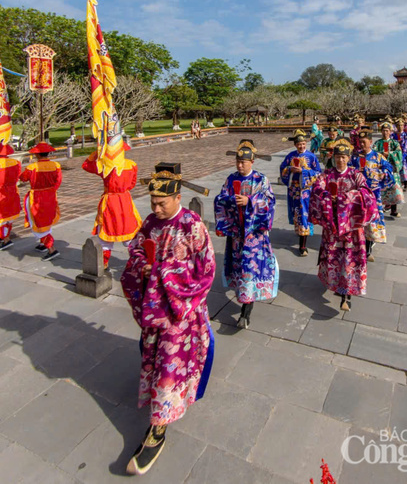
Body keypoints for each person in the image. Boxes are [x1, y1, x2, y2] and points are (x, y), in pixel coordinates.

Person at [120, 163, 215, 475]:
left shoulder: (192, 225)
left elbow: (206, 270)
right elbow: (135, 250)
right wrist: (142, 266)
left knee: (168, 368)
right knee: (152, 358)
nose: (156, 208)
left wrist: (163, 272)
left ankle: (158, 428)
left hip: (181, 313)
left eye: (162, 203)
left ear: (177, 198)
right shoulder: (149, 223)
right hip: (154, 309)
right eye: (152, 203)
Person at [215, 139, 279, 329]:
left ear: (252, 162)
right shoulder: (231, 179)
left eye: (244, 162)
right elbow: (220, 199)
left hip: (254, 237)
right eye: (238, 161)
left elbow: (270, 202)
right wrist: (232, 202)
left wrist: (250, 201)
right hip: (236, 236)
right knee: (239, 271)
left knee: (249, 271)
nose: (240, 165)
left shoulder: (261, 180)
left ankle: (246, 313)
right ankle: (244, 301)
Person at [310, 144, 379, 311]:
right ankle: (334, 284)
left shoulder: (356, 175)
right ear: (333, 158)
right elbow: (316, 190)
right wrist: (327, 197)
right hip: (332, 226)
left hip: (351, 229)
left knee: (349, 259)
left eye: (343, 157)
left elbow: (366, 193)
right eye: (337, 157)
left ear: (349, 158)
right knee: (334, 256)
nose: (340, 160)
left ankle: (346, 296)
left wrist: (344, 199)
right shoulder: (326, 175)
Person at [82, 141, 142, 268]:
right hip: (125, 199)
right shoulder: (131, 165)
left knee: (106, 229)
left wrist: (98, 152)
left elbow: (86, 165)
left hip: (110, 201)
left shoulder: (105, 165)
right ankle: (137, 260)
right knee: (129, 228)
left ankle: (104, 263)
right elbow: (132, 184)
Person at [350, 128, 395, 262]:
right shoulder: (355, 157)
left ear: (370, 142)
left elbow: (388, 169)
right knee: (358, 221)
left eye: (364, 142)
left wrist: (380, 174)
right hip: (357, 195)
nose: (362, 145)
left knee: (371, 222)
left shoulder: (378, 156)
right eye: (360, 142)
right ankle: (358, 247)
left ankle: (368, 250)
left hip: (373, 195)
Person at [279, 131, 321, 256]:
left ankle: (303, 245)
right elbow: (282, 168)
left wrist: (303, 171)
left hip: (306, 191)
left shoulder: (311, 157)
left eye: (303, 144)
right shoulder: (290, 156)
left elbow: (318, 172)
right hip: (294, 190)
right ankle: (300, 233)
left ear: (306, 144)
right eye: (299, 144)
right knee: (297, 213)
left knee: (304, 214)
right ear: (295, 145)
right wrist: (289, 169)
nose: (301, 146)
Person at [20, 142, 62, 261]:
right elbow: (58, 181)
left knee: (37, 221)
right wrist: (51, 191)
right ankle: (43, 244)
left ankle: (51, 248)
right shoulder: (56, 165)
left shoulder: (32, 167)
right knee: (46, 219)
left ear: (37, 155)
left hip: (37, 196)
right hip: (50, 195)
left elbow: (23, 178)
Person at [374, 122, 405, 218]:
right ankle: (380, 209)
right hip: (381, 170)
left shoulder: (394, 143)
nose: (385, 132)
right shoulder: (377, 143)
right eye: (383, 130)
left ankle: (393, 210)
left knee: (393, 189)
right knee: (380, 190)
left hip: (392, 170)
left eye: (387, 131)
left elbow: (399, 153)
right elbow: (374, 153)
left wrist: (390, 154)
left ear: (390, 131)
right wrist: (381, 155)